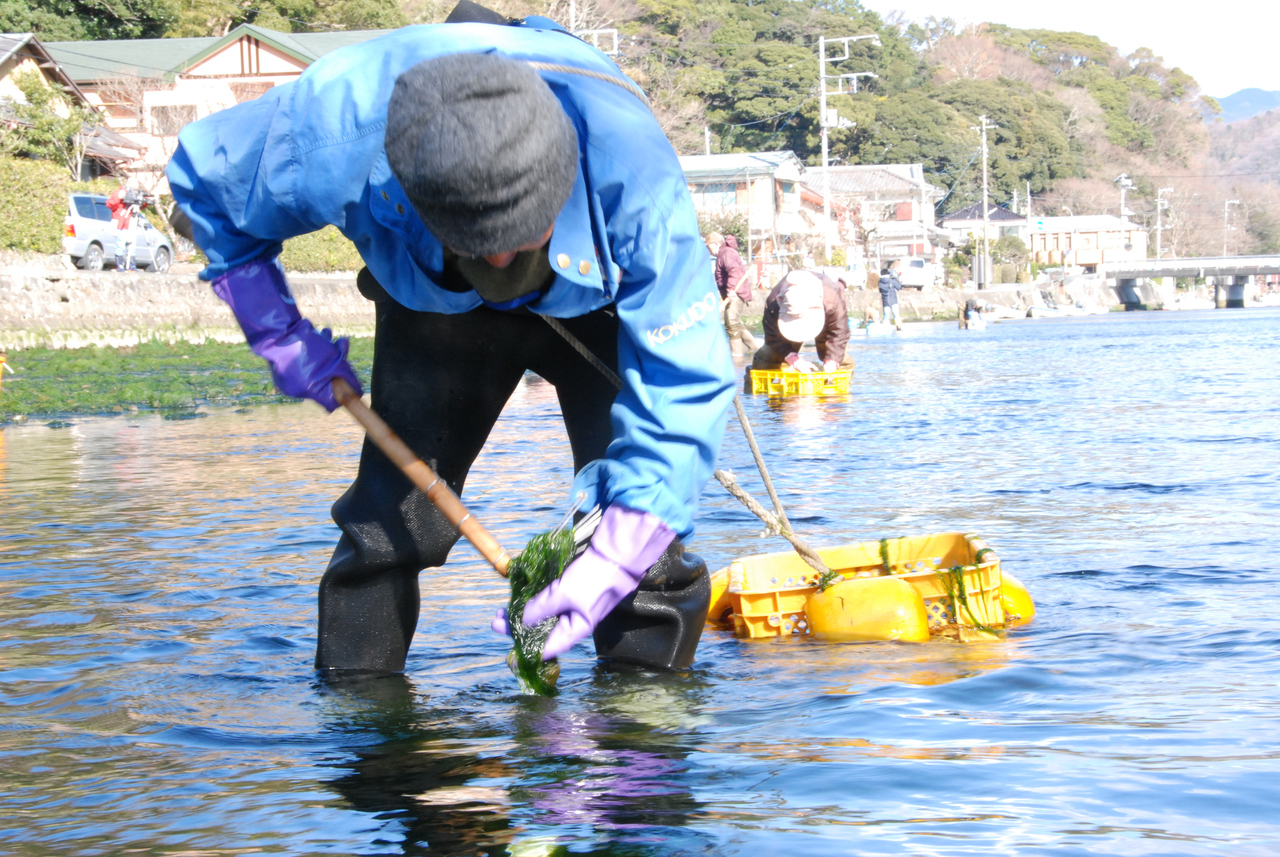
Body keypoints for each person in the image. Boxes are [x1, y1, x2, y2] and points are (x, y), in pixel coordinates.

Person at [166, 5, 737, 676]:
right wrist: (278, 331)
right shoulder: (334, 124)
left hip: (595, 304)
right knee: (389, 526)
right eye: (480, 245)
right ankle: (363, 717)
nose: (501, 265)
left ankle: (645, 717)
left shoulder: (634, 176)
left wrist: (624, 543)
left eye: (519, 239)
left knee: (645, 546)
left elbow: (683, 378)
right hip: (435, 304)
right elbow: (205, 192)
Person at [751, 269, 851, 373]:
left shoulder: (832, 298)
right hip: (784, 323)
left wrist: (832, 361)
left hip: (827, 316)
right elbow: (773, 337)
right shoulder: (773, 303)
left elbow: (840, 332)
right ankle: (754, 382)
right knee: (768, 358)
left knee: (840, 358)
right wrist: (793, 359)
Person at [711, 232, 757, 359]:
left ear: (715, 244)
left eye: (709, 246)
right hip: (732, 292)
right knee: (734, 323)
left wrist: (731, 289)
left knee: (731, 323)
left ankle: (736, 356)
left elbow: (735, 271)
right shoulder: (724, 253)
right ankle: (755, 349)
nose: (709, 250)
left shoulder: (726, 253)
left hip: (736, 292)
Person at [106, 181, 146, 271]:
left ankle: (132, 266)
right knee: (120, 245)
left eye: (136, 190)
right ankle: (120, 265)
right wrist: (120, 197)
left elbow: (142, 205)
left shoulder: (136, 194)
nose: (135, 191)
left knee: (132, 246)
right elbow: (110, 204)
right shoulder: (119, 193)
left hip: (132, 224)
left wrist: (144, 199)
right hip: (121, 224)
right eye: (134, 190)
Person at [878, 259, 903, 330]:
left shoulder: (880, 283)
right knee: (896, 315)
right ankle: (898, 327)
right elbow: (899, 287)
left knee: (886, 316)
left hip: (885, 302)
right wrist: (900, 281)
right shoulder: (892, 281)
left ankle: (885, 329)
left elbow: (880, 291)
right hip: (893, 301)